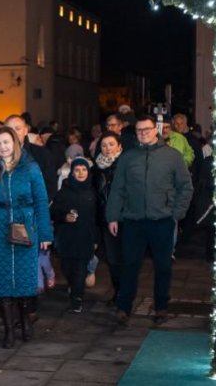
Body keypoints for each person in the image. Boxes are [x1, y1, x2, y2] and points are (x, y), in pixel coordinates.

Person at [106, 115, 193, 326]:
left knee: (163, 266)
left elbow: (185, 187)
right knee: (130, 265)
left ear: (156, 130)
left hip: (162, 220)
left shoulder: (172, 156)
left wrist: (176, 214)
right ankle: (124, 307)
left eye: (147, 129)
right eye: (139, 130)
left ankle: (161, 306)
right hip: (133, 220)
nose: (143, 133)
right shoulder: (128, 157)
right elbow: (118, 189)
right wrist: (113, 216)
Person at [0, 126, 53, 349]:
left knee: (23, 277)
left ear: (15, 143)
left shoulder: (30, 168)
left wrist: (45, 233)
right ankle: (9, 330)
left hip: (25, 226)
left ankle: (25, 320)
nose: (2, 147)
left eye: (6, 142)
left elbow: (41, 200)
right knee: (2, 279)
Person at [51, 158, 98, 313]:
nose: (81, 173)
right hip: (67, 237)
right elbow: (53, 213)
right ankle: (74, 286)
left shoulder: (93, 192)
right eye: (77, 170)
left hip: (86, 237)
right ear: (71, 172)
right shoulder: (63, 192)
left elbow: (98, 218)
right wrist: (65, 217)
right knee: (67, 267)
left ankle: (77, 297)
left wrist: (96, 239)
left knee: (80, 268)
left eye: (84, 170)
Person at [93, 132, 125, 304]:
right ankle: (118, 292)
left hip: (123, 218)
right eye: (104, 145)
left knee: (124, 258)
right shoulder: (96, 168)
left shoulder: (125, 165)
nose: (107, 149)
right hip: (104, 219)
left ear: (119, 146)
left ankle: (124, 294)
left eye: (111, 144)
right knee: (112, 260)